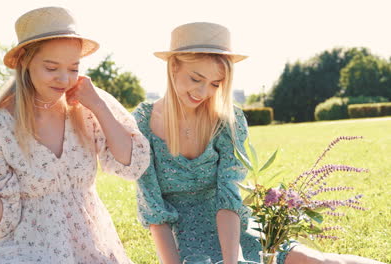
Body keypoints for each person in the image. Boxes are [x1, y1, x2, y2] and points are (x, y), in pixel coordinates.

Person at [132, 22, 383, 264]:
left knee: (314, 261)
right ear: (173, 67)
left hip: (236, 232)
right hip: (185, 245)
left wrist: (234, 261)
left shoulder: (228, 120)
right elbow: (155, 213)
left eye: (215, 84)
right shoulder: (141, 123)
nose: (203, 92)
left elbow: (229, 198)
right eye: (196, 79)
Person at [0, 6, 150, 264]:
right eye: (52, 68)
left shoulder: (87, 105)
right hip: (27, 251)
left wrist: (98, 106)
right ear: (24, 61)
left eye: (74, 68)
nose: (64, 79)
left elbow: (131, 164)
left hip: (92, 246)